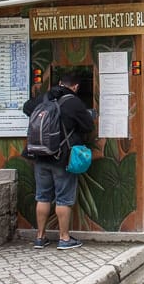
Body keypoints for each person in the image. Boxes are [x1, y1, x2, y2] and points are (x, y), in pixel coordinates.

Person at [22, 74, 95, 250]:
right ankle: (64, 238)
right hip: (62, 157)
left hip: (39, 155)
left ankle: (40, 237)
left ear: (60, 83)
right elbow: (88, 126)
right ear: (75, 87)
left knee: (42, 196)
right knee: (63, 198)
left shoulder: (44, 98)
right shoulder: (74, 102)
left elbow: (26, 108)